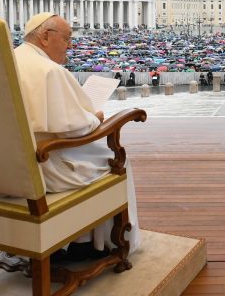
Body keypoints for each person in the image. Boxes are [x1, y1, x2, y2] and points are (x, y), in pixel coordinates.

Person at [15, 13, 141, 261]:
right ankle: (102, 243)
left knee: (93, 154)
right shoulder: (49, 71)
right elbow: (77, 129)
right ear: (44, 37)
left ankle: (81, 238)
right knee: (116, 160)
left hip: (8, 167)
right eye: (67, 38)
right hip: (44, 169)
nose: (70, 45)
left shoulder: (9, 59)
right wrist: (95, 117)